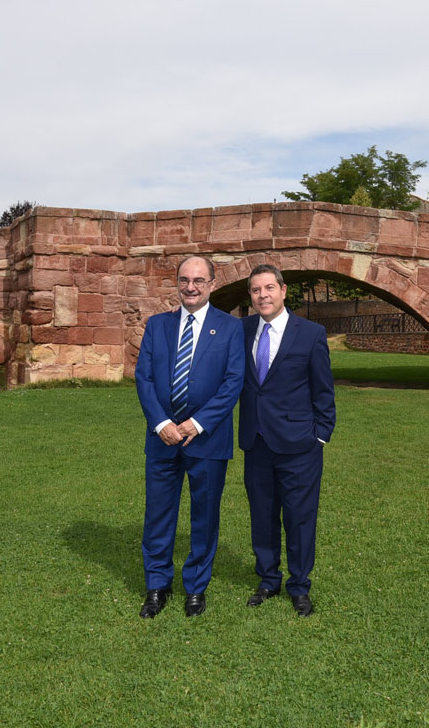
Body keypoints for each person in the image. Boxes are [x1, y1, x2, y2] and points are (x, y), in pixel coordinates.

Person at [134, 256, 244, 618]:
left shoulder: (230, 328)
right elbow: (145, 379)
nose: (191, 287)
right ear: (177, 283)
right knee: (158, 516)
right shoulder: (157, 325)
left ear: (212, 283)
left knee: (205, 516)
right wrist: (161, 422)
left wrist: (196, 423)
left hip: (207, 440)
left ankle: (196, 587)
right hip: (162, 438)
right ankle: (157, 586)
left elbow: (232, 383)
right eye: (184, 280)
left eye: (199, 280)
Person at [238, 264, 336, 617]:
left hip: (300, 446)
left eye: (268, 288)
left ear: (282, 291)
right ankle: (268, 579)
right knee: (262, 515)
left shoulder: (310, 334)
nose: (262, 295)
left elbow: (323, 391)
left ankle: (299, 585)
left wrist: (320, 437)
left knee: (299, 517)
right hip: (256, 441)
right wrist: (179, 311)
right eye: (254, 290)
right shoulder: (242, 329)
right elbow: (208, 330)